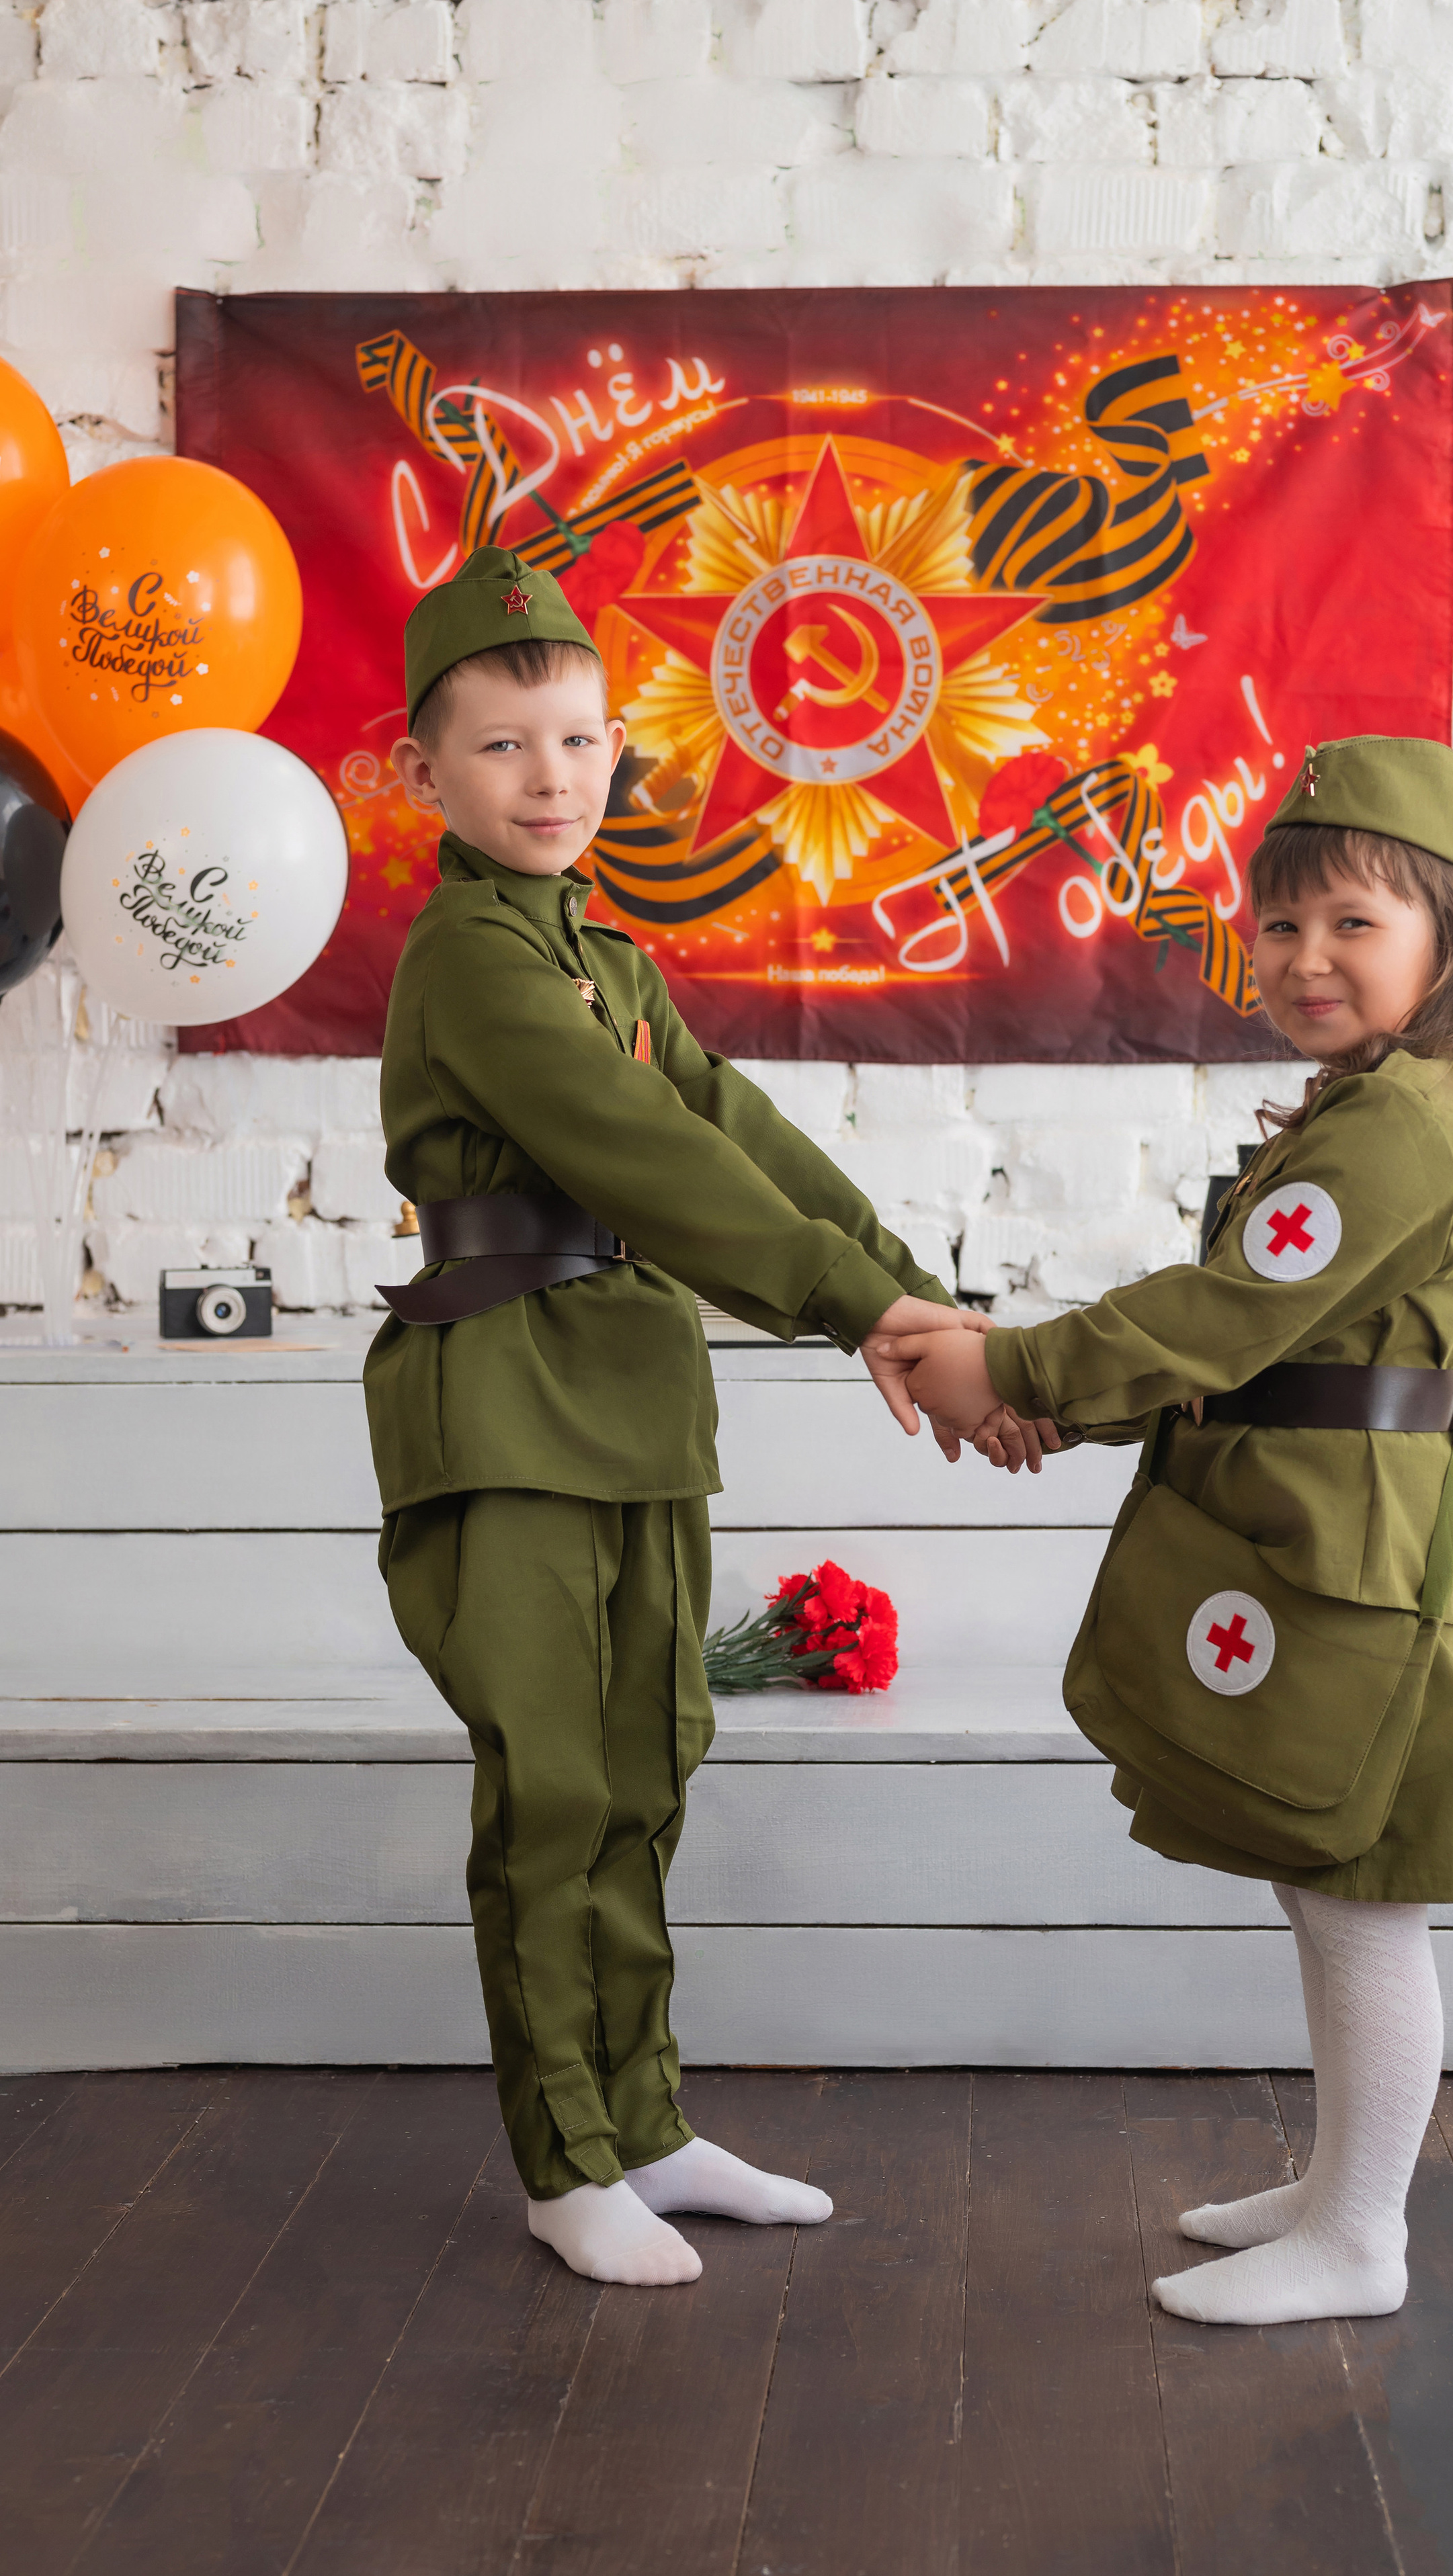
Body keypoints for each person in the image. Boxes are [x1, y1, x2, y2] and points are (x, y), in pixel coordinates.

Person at [364, 545, 1001, 2288]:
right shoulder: (472, 960)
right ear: (423, 772)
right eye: (503, 746)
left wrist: (917, 1294)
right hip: (505, 1402)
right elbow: (641, 1154)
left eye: (580, 739)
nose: (552, 777)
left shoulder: (604, 954)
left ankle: (644, 2123)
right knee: (554, 1789)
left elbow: (736, 1131)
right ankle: (565, 2161)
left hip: (632, 1397)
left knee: (647, 1764)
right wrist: (857, 1308)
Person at [880, 736, 1453, 2327]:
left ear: (1445, 939)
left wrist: (1012, 1372)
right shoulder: (1386, 1104)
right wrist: (1036, 1387)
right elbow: (1252, 1342)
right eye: (1278, 925)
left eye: (1351, 923)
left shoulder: (1400, 1121)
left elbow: (1216, 1315)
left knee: (1357, 1898)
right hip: (1321, 1545)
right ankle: (1337, 2193)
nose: (1304, 956)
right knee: (1326, 1890)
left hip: (1351, 1569)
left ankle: (1360, 2239)